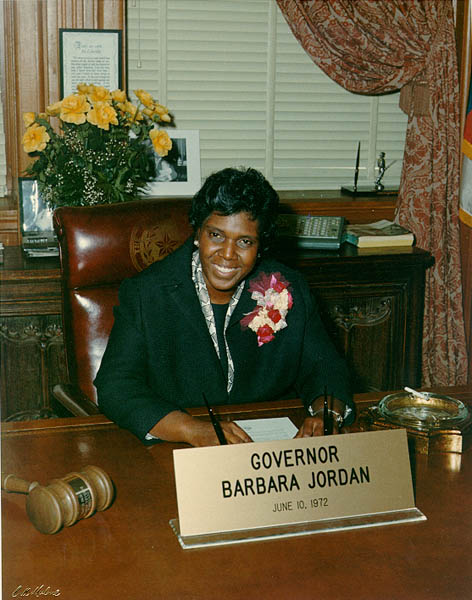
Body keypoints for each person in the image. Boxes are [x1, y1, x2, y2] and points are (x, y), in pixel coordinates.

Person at [94, 167, 354, 446]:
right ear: (197, 233)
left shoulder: (288, 288)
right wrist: (192, 430)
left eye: (244, 241)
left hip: (273, 446)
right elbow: (115, 386)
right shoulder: (147, 293)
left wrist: (326, 413)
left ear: (260, 245)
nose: (228, 255)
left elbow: (325, 367)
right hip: (177, 444)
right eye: (216, 235)